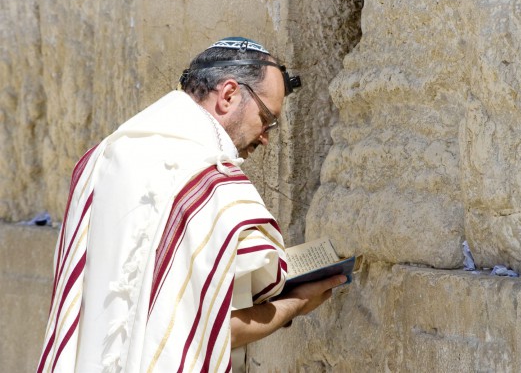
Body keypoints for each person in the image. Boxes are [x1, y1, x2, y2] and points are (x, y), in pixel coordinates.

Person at [37, 37, 346, 373]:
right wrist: (295, 303)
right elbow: (218, 328)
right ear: (228, 95)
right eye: (266, 118)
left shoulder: (102, 158)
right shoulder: (213, 184)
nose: (266, 136)